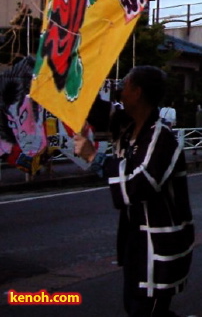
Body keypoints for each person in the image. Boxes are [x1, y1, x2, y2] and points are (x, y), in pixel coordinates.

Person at [74, 66, 194, 316]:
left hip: (159, 243)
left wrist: (95, 158)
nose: (119, 90)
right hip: (136, 241)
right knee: (138, 306)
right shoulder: (127, 126)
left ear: (137, 92)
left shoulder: (162, 138)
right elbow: (92, 111)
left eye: (125, 85)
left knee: (145, 309)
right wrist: (70, 73)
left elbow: (138, 186)